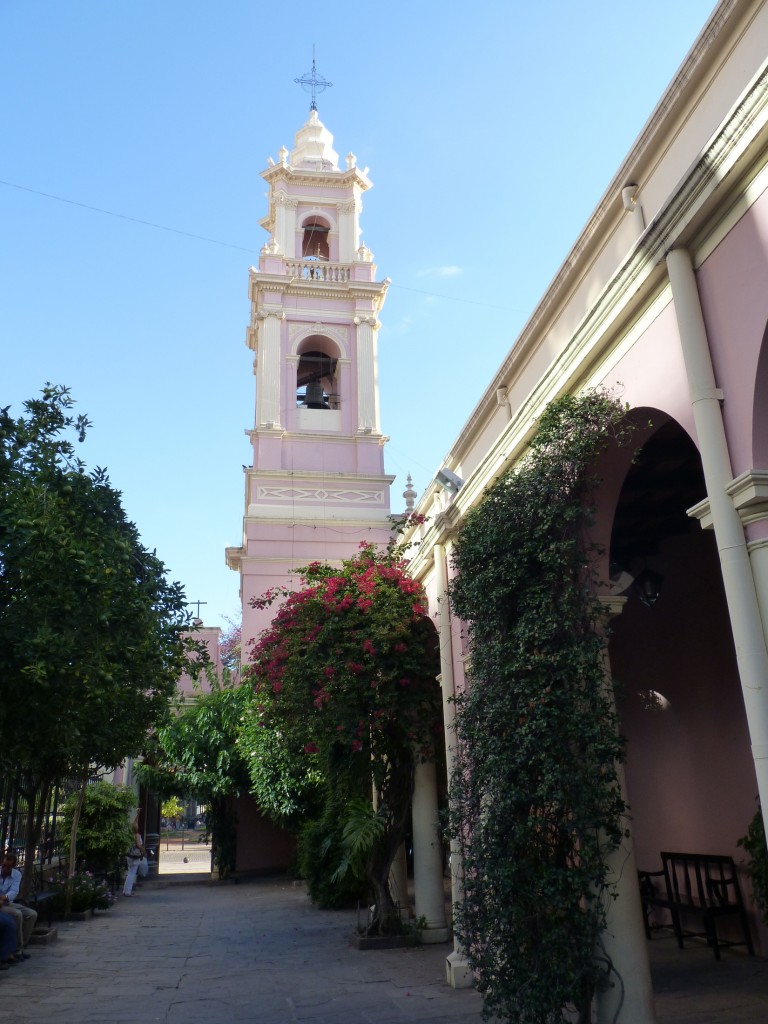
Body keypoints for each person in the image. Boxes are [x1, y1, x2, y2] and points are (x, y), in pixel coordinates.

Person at [0, 852, 37, 960]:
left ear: (13, 866)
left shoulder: (17, 874)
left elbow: (14, 891)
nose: (5, 868)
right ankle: (16, 950)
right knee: (17, 914)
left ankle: (21, 945)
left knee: (32, 914)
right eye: (4, 865)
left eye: (8, 867)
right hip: (0, 904)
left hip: (7, 901)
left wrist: (4, 897)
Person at [123, 816, 145, 897]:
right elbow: (138, 845)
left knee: (129, 873)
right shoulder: (137, 835)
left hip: (129, 855)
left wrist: (137, 815)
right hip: (135, 856)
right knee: (132, 874)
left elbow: (134, 823)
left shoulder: (129, 835)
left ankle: (125, 890)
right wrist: (144, 851)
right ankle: (128, 891)